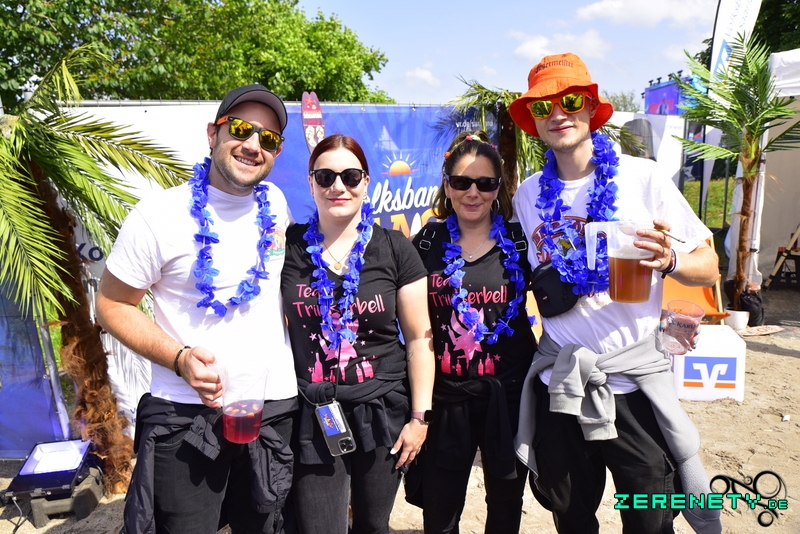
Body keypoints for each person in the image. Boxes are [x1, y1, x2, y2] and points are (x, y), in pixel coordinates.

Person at [508, 53, 723, 534]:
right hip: (562, 383)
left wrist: (670, 260)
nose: (557, 114)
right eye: (543, 106)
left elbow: (708, 266)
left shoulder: (642, 177)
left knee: (650, 521)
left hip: (633, 387)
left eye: (570, 101)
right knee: (571, 517)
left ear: (591, 107)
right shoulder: (527, 194)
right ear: (534, 121)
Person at [95, 84, 297, 534]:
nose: (253, 145)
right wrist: (179, 358)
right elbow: (109, 304)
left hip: (272, 407)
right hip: (186, 412)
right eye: (240, 129)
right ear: (212, 133)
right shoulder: (158, 215)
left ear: (277, 151)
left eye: (268, 138)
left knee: (265, 526)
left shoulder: (277, 205)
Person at [280, 134, 435, 534]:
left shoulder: (394, 248)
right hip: (313, 409)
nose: (338, 187)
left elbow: (419, 339)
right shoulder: (287, 247)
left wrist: (419, 418)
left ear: (366, 182)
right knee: (319, 527)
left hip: (381, 408)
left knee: (372, 525)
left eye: (350, 176)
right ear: (311, 182)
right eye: (325, 176)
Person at [406, 131, 538, 533]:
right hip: (447, 396)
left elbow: (564, 299)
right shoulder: (426, 242)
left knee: (506, 501)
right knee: (440, 506)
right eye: (462, 182)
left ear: (499, 188)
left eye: (485, 183)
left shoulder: (520, 241)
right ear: (447, 185)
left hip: (509, 394)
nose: (473, 192)